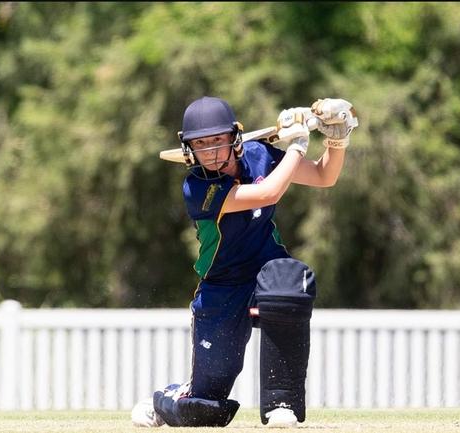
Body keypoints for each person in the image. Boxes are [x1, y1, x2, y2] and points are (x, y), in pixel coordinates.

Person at [131, 96, 357, 428]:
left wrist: (337, 139)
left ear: (234, 138)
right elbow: (268, 194)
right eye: (201, 144)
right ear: (189, 148)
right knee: (206, 410)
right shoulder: (197, 188)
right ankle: (165, 401)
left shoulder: (260, 155)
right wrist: (297, 145)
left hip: (268, 270)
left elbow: (324, 177)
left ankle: (282, 403)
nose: (210, 151)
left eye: (217, 141)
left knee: (290, 283)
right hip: (221, 289)